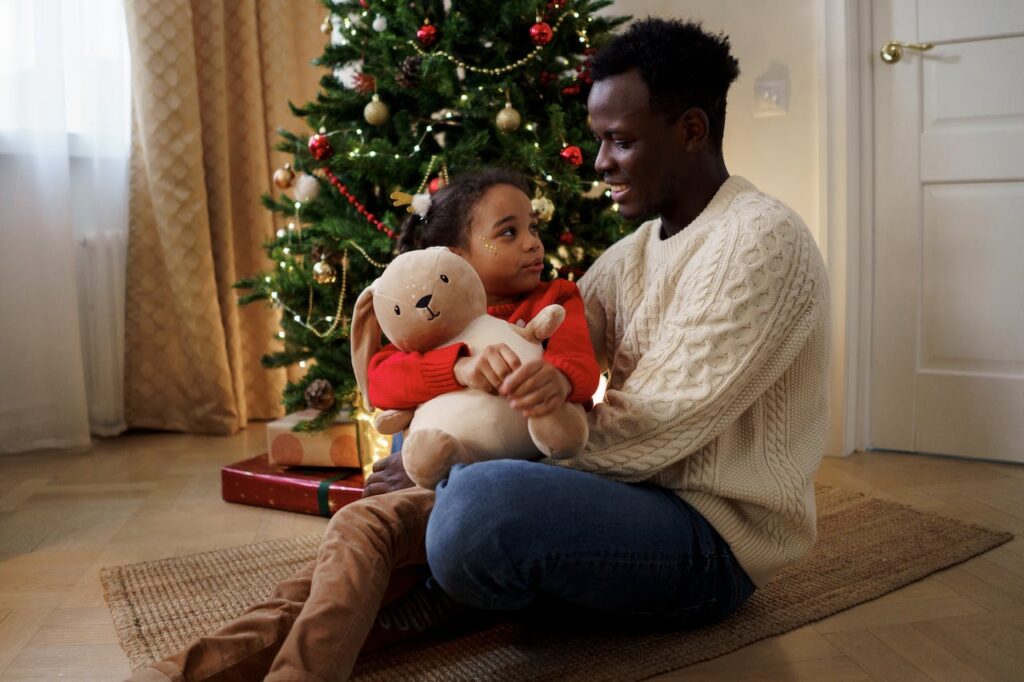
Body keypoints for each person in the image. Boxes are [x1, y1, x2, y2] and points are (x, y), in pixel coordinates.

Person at [132, 16, 830, 682]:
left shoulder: (758, 239)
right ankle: (211, 665)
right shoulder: (634, 253)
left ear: (690, 130)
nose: (600, 161)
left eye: (619, 140)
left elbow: (656, 429)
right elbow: (537, 359)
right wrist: (423, 453)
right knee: (383, 526)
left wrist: (451, 467)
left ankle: (448, 567)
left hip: (712, 539)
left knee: (477, 508)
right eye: (597, 139)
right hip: (621, 496)